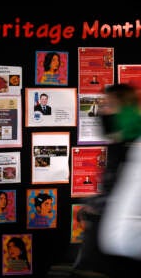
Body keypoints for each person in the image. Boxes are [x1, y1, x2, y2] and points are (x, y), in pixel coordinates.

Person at [72, 83, 141, 277]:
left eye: (109, 104)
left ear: (124, 108)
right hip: (114, 237)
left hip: (124, 242)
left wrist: (100, 204)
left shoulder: (133, 145)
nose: (102, 111)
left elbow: (126, 190)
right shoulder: (119, 143)